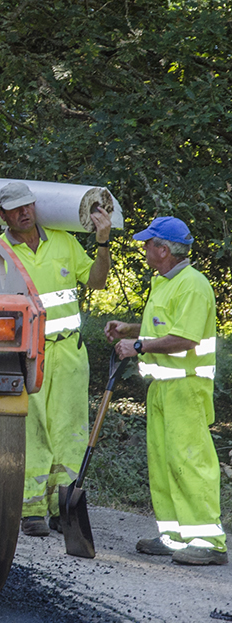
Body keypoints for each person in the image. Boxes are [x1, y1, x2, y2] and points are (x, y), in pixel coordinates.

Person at [105, 216, 224, 565]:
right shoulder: (166, 283)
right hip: (162, 389)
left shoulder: (193, 285)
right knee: (164, 463)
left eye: (148, 244)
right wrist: (130, 327)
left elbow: (184, 338)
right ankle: (174, 537)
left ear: (163, 249)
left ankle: (208, 541)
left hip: (186, 389)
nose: (143, 250)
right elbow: (163, 325)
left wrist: (138, 346)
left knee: (191, 462)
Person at [0, 181, 112, 536]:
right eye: (16, 209)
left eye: (28, 205)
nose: (24, 212)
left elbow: (97, 282)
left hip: (70, 353)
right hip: (29, 353)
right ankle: (31, 508)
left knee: (70, 432)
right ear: (2, 215)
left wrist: (103, 243)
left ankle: (64, 508)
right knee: (33, 429)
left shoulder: (62, 240)